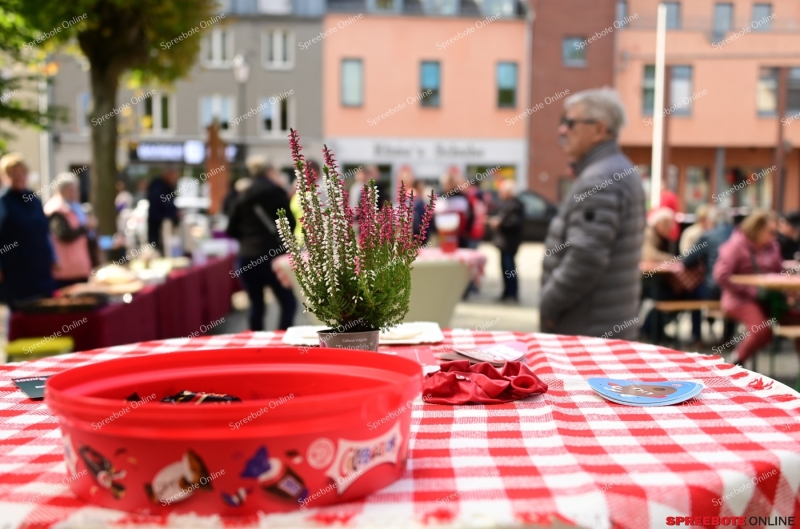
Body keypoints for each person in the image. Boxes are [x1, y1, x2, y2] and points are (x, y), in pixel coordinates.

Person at [540, 88, 646, 339]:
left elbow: (586, 257)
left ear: (599, 129)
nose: (562, 130)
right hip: (604, 324)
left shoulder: (599, 178)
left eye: (570, 123)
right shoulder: (617, 169)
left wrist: (549, 305)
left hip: (587, 331)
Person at [714, 209, 800, 364]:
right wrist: (751, 290)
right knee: (761, 330)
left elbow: (778, 270)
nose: (774, 236)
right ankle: (734, 362)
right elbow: (721, 275)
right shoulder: (736, 245)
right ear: (757, 229)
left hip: (769, 298)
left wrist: (789, 286)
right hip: (740, 299)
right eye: (771, 232)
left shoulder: (772, 246)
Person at [227, 156, 297, 331]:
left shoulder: (243, 194)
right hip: (273, 256)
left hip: (247, 257)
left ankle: (256, 342)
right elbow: (290, 224)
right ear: (269, 171)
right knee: (288, 303)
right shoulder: (276, 191)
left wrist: (248, 240)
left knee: (256, 305)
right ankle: (282, 339)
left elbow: (231, 229)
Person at [0, 153, 57, 308]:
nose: (19, 177)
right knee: (21, 313)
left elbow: (45, 232)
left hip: (40, 270)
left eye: (22, 173)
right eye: (13, 173)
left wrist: (53, 257)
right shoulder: (3, 202)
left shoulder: (34, 200)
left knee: (46, 311)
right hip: (16, 273)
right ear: (5, 176)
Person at [44, 176, 94, 288]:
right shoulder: (55, 209)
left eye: (76, 190)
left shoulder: (74, 207)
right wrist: (85, 228)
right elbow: (63, 234)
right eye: (71, 190)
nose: (75, 193)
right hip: (65, 270)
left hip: (78, 267)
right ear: (61, 190)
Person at [490, 180, 524, 303]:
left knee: (509, 269)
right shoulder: (508, 204)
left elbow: (513, 223)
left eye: (502, 191)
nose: (500, 193)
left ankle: (512, 294)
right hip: (505, 242)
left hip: (509, 242)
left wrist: (500, 223)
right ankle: (507, 293)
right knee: (505, 269)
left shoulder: (514, 205)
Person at [146, 166, 180, 253]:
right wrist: (173, 214)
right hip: (158, 226)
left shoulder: (167, 187)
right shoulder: (158, 187)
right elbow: (157, 208)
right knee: (156, 249)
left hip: (164, 225)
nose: (175, 179)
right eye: (174, 176)